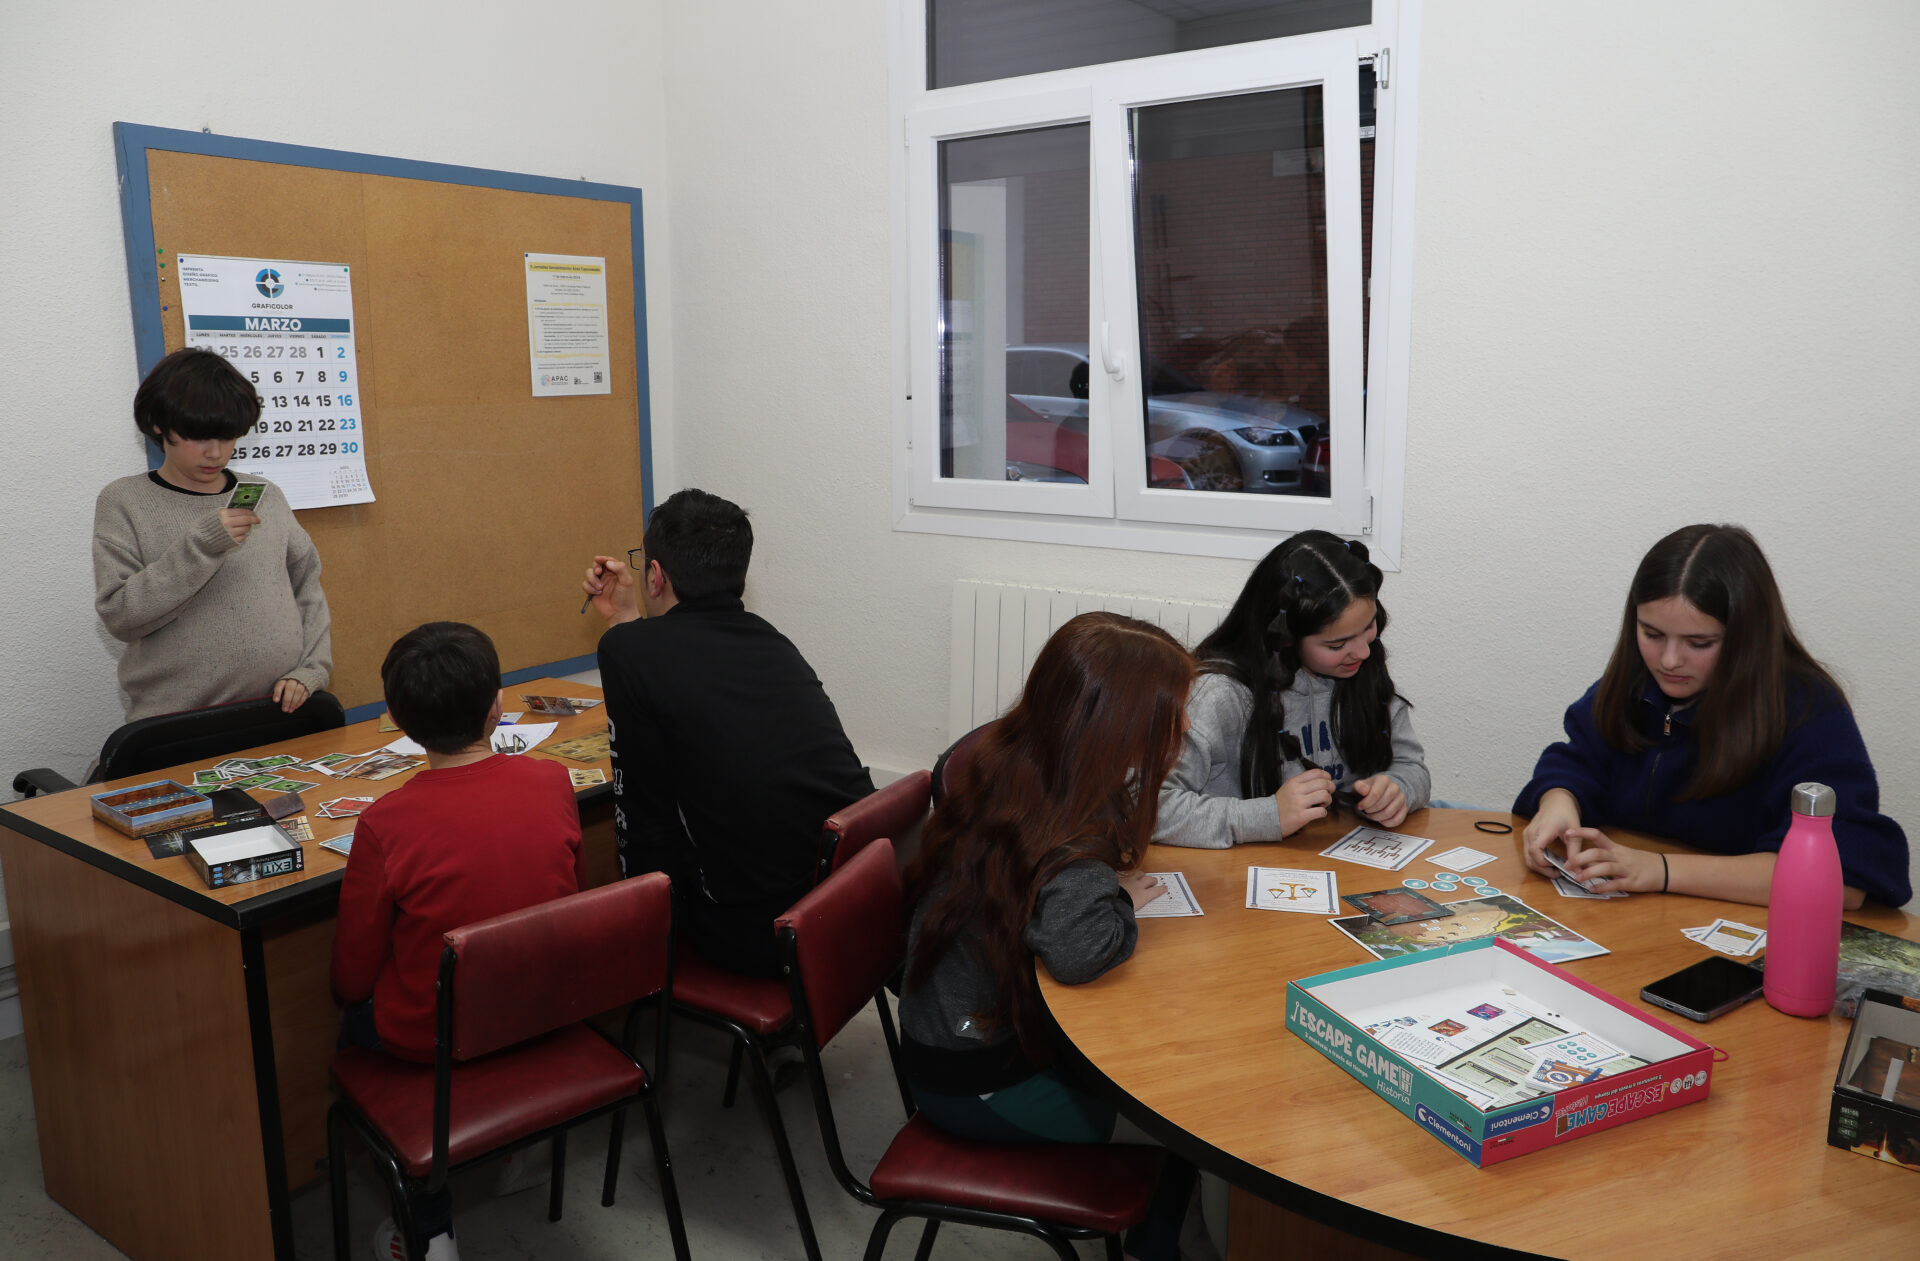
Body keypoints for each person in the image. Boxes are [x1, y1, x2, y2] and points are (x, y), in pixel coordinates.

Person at [899, 612, 1197, 1260]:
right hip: (977, 1081)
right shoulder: (1070, 826)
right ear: (1120, 727)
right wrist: (1116, 901)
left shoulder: (1018, 762)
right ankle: (1157, 1247)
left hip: (952, 1035)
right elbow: (1079, 953)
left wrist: (1103, 887)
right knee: (1190, 1131)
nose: (1185, 729)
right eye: (1174, 715)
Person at [332, 622, 586, 1261]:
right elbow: (570, 903)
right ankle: (522, 1149)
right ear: (498, 705)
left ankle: (429, 1228)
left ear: (396, 720)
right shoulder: (553, 782)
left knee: (348, 1028)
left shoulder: (384, 823)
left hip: (432, 1039)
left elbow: (351, 978)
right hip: (541, 1008)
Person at [1515, 524, 1910, 909]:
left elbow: (1843, 876)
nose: (1669, 660)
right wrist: (1559, 802)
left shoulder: (1806, 709)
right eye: (1652, 634)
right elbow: (1577, 761)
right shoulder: (1632, 684)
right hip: (1633, 919)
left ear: (1747, 636)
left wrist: (1660, 870)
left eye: (1699, 642)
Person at [580, 488, 874, 976]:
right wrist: (628, 624)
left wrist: (643, 927)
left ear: (655, 576)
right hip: (851, 900)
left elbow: (643, 815)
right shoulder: (771, 640)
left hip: (761, 931)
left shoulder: (629, 653)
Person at [93, 346, 332, 721]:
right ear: (158, 425)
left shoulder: (264, 495)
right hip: (178, 723)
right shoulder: (125, 501)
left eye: (227, 436)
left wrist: (311, 669)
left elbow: (308, 586)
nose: (216, 453)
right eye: (198, 436)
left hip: (280, 710)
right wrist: (200, 547)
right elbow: (121, 617)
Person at [1156, 531, 1429, 848]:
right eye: (1337, 644)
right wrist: (1269, 815)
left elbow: (1412, 768)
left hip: (1332, 858)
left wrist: (1398, 789)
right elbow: (1150, 809)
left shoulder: (1362, 671)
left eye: (1369, 627)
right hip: (1241, 866)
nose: (1364, 652)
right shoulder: (1218, 695)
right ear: (1284, 640)